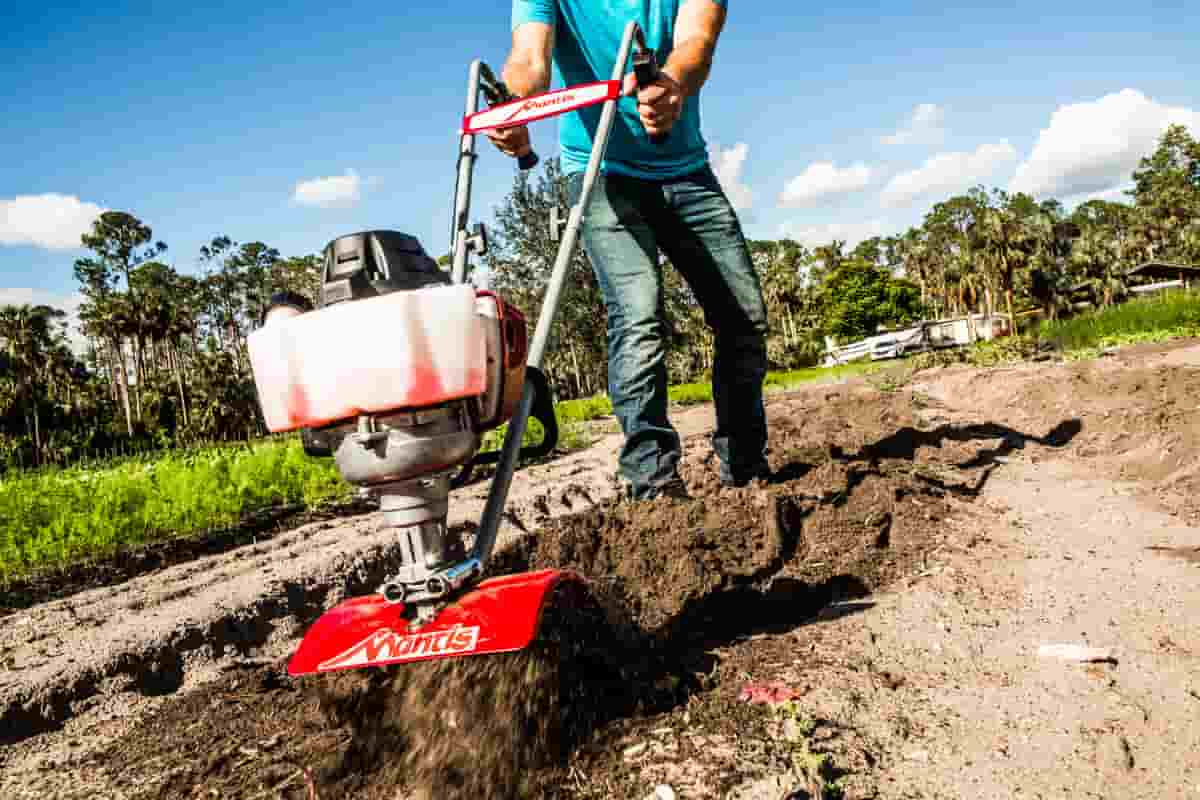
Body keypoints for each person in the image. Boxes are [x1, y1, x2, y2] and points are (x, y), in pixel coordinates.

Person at [488, 0, 770, 500]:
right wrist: (512, 105)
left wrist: (673, 83)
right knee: (638, 316)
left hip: (685, 169)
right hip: (599, 170)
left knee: (743, 316)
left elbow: (696, 43)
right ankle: (653, 479)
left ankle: (746, 467)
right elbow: (530, 60)